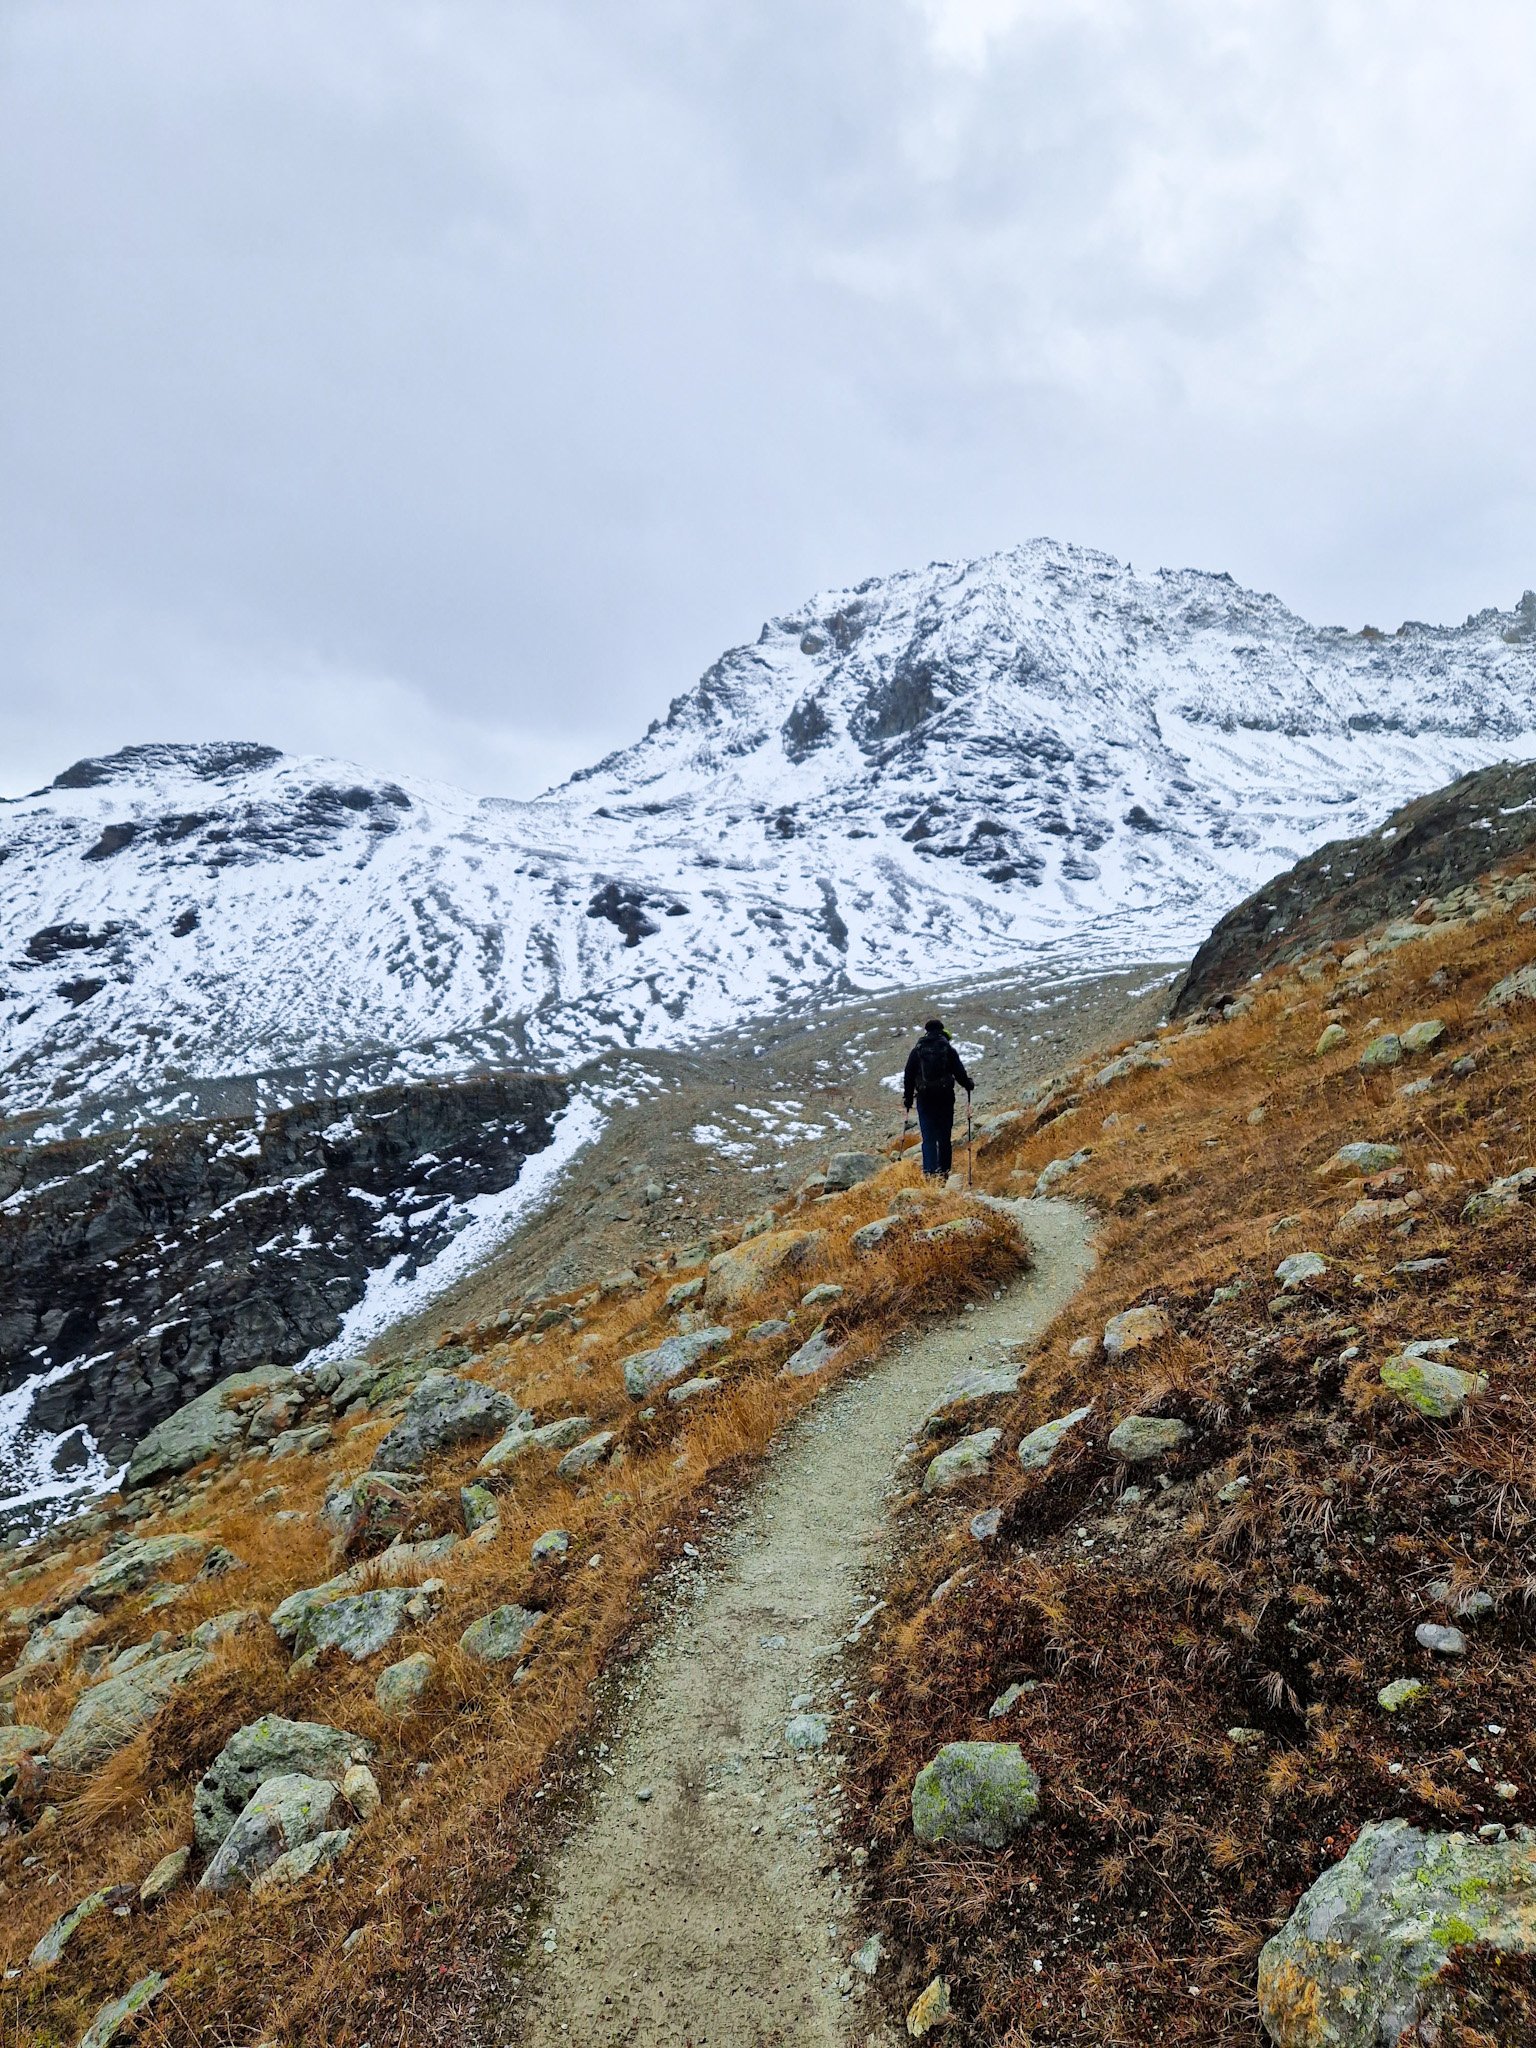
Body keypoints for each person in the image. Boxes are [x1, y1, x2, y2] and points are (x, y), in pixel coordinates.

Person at [902, 1018, 973, 1178]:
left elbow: (908, 1076)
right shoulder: (948, 1049)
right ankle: (944, 1171)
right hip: (945, 1097)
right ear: (942, 1030)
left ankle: (930, 1172)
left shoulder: (917, 1050)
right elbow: (959, 1072)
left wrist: (908, 1098)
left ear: (926, 1031)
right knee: (944, 1136)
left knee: (928, 1137)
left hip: (925, 1098)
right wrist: (968, 1084)